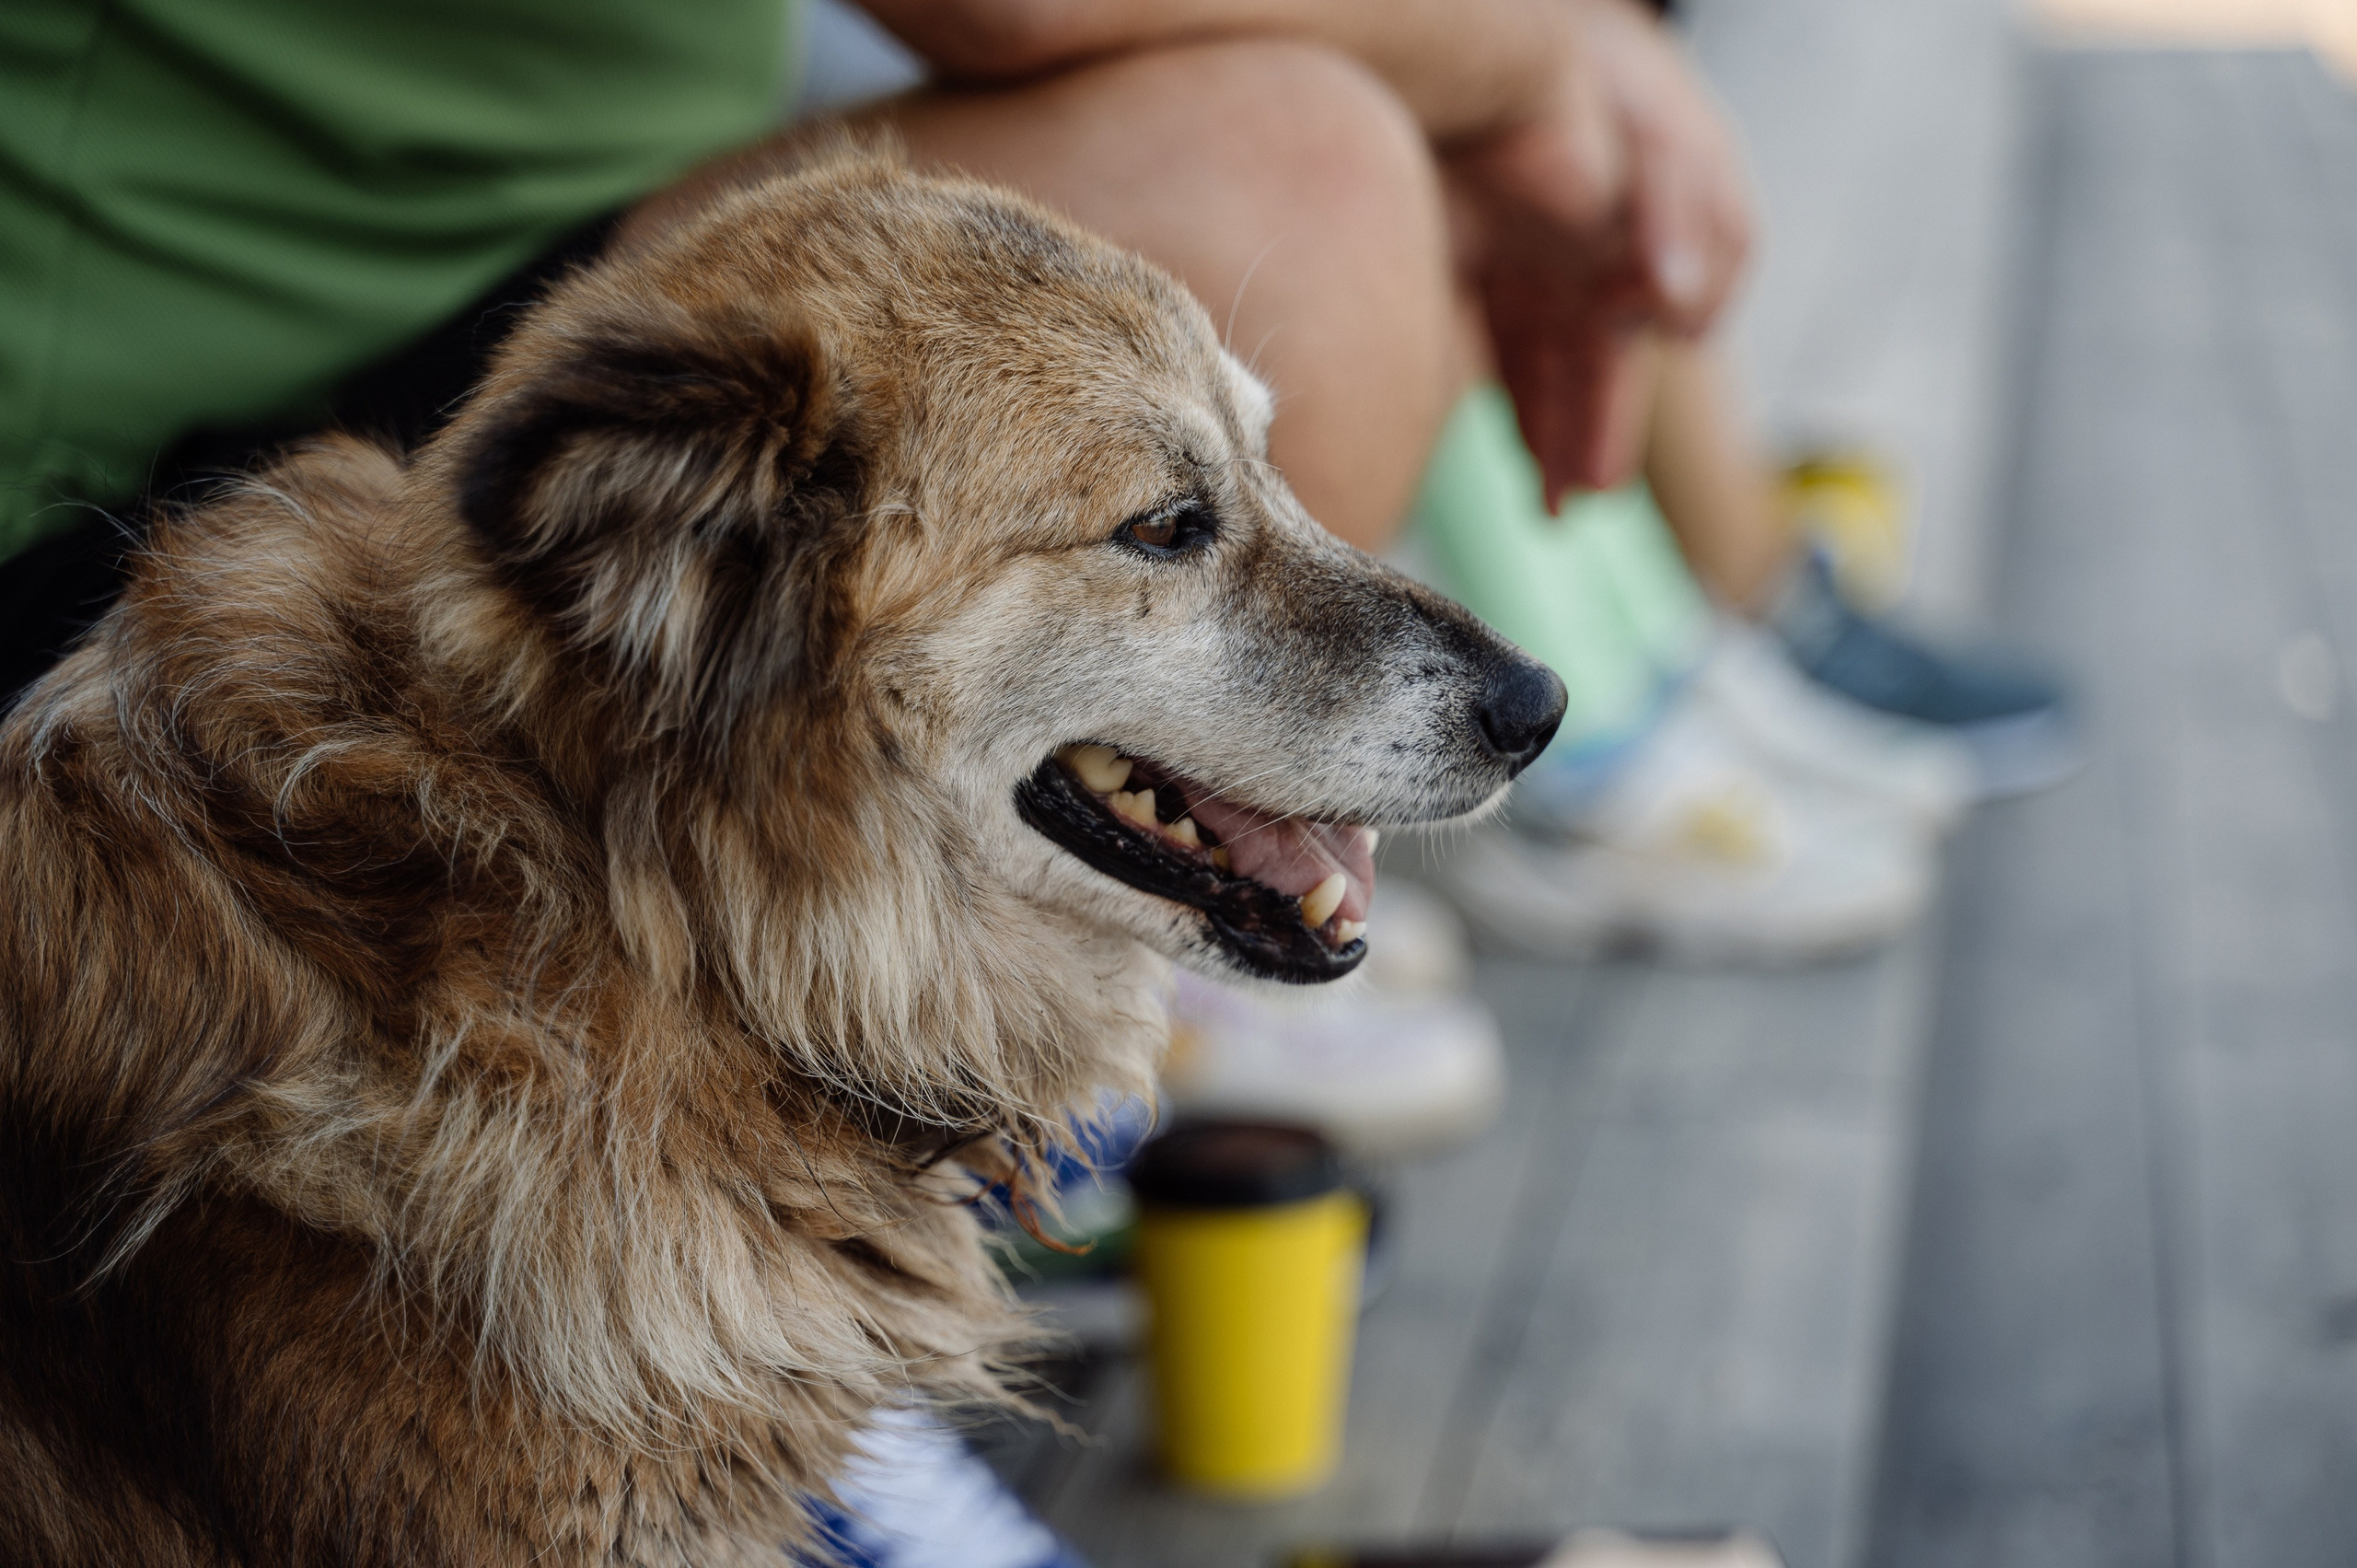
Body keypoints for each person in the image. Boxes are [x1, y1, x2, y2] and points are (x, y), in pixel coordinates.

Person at [0, 0, 1751, 711]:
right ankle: (775, 1187)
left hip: (492, 317)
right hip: (105, 566)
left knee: (1350, 125)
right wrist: (1542, 55)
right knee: (1291, 170)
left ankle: (940, 1125)